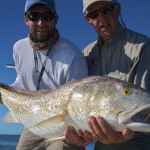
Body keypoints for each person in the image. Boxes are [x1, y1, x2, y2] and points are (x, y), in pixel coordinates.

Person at [0, 0, 88, 149]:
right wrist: (6, 91)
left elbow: (78, 102)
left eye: (47, 16)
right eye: (34, 16)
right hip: (33, 119)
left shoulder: (73, 54)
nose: (41, 22)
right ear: (26, 19)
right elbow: (22, 81)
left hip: (64, 124)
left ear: (56, 19)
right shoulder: (18, 48)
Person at [65, 0, 150, 150]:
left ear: (117, 9)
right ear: (88, 19)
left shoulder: (143, 46)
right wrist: (80, 135)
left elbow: (142, 107)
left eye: (106, 10)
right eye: (94, 14)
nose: (102, 18)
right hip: (101, 140)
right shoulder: (86, 54)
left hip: (139, 139)